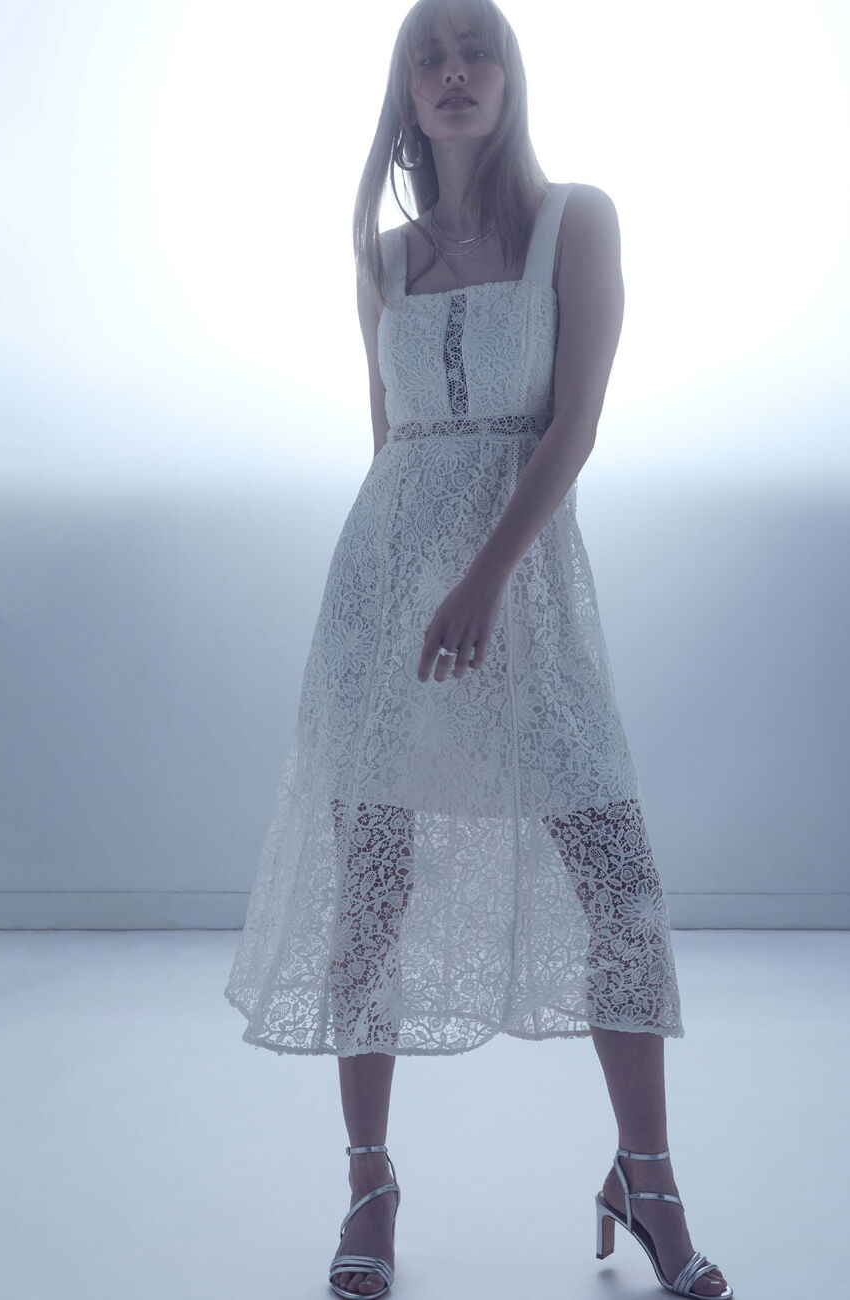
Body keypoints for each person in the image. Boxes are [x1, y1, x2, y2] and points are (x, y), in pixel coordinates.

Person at [224, 1, 732, 1296]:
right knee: (373, 884)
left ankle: (648, 1177)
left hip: (527, 592)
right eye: (428, 57)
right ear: (405, 92)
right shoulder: (380, 255)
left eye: (476, 51)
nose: (454, 73)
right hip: (385, 594)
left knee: (617, 876)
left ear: (511, 77)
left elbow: (574, 424)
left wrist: (486, 580)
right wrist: (415, 592)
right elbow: (389, 440)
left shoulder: (578, 220)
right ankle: (369, 1185)